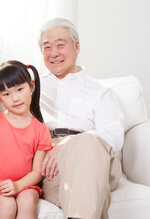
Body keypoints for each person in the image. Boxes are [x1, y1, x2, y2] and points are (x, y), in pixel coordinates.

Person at [38, 18, 124, 219]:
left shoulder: (99, 91)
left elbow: (114, 136)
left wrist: (71, 142)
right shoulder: (32, 88)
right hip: (51, 165)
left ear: (76, 47)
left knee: (88, 142)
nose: (54, 53)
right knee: (85, 193)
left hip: (96, 157)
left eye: (61, 44)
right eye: (47, 47)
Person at [0, 60, 52, 219]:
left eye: (20, 89)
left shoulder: (40, 130)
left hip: (26, 184)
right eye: (6, 94)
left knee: (27, 201)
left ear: (31, 87)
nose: (15, 98)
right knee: (7, 205)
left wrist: (18, 185)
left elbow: (37, 172)